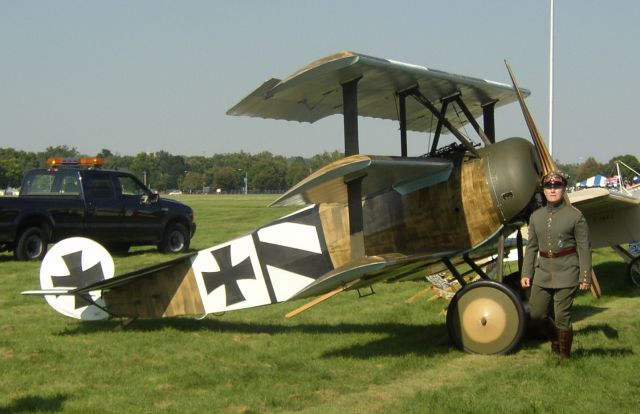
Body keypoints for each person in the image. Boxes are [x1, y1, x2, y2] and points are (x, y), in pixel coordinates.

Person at [520, 171, 592, 359]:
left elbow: (584, 248)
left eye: (557, 186)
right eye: (549, 187)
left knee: (562, 316)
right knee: (536, 314)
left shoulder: (576, 216)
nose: (553, 190)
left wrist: (585, 276)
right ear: (543, 190)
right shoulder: (536, 217)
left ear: (563, 188)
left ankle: (564, 357)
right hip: (543, 273)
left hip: (568, 271)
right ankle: (555, 340)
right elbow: (532, 247)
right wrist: (526, 273)